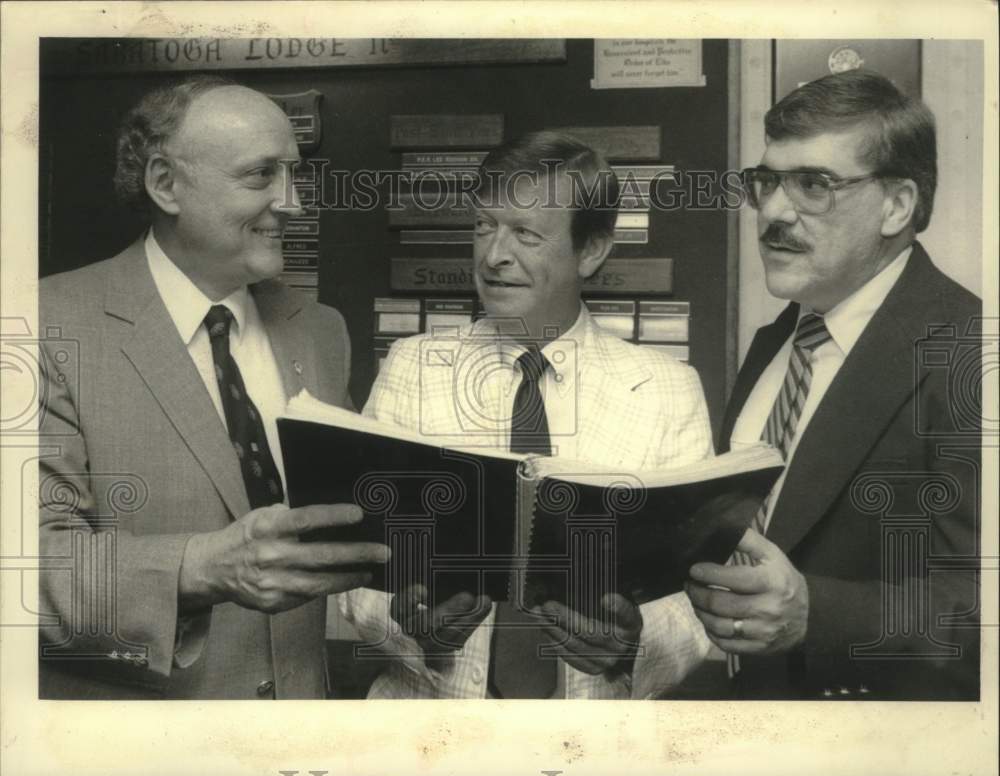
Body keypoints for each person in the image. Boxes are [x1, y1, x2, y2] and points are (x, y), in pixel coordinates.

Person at [37, 77, 389, 699]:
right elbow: (29, 567)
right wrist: (201, 568)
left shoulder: (319, 331)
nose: (294, 203)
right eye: (260, 177)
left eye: (294, 175)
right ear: (165, 185)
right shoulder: (44, 325)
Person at [340, 131, 715, 699]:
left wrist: (632, 644)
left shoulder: (666, 390)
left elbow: (694, 602)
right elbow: (357, 574)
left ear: (591, 251)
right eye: (484, 225)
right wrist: (409, 624)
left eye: (525, 233)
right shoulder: (412, 367)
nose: (494, 256)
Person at [684, 70, 981, 700]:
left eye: (814, 185)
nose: (772, 212)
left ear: (897, 206)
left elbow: (982, 604)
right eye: (766, 182)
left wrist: (817, 612)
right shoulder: (777, 342)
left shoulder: (968, 352)